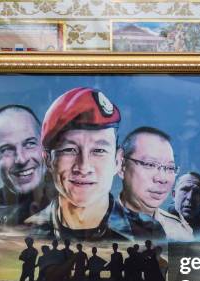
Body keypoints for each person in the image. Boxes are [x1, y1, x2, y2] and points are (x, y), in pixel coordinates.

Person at [24, 87, 132, 241]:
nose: (83, 167)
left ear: (117, 161)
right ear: (48, 159)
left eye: (99, 150)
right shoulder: (24, 235)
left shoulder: (148, 234)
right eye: (69, 150)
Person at [0, 105, 53, 227]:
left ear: (45, 149)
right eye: (7, 150)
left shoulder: (79, 197)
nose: (21, 159)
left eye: (30, 144)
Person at [117, 127, 193, 241]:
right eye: (150, 165)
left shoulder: (179, 232)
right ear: (122, 167)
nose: (162, 179)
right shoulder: (92, 224)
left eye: (170, 167)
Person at [169, 172, 200, 240]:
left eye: (197, 192)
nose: (190, 197)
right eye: (185, 190)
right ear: (174, 195)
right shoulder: (156, 229)